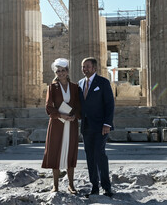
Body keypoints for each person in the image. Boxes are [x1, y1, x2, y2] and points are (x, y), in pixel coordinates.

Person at [41, 58, 81, 193]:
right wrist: (60, 115)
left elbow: (78, 105)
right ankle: (55, 186)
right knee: (55, 151)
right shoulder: (52, 87)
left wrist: (75, 115)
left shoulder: (75, 87)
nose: (61, 73)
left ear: (68, 71)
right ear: (55, 72)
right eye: (58, 71)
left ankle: (71, 185)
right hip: (58, 123)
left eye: (63, 70)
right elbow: (48, 107)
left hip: (71, 123)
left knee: (70, 152)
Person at [78, 56, 115, 197]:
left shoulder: (103, 82)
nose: (84, 69)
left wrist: (107, 123)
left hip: (101, 126)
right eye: (83, 66)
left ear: (94, 68)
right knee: (89, 156)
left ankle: (106, 187)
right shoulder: (80, 83)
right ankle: (94, 187)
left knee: (100, 154)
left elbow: (109, 104)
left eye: (87, 66)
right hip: (86, 126)